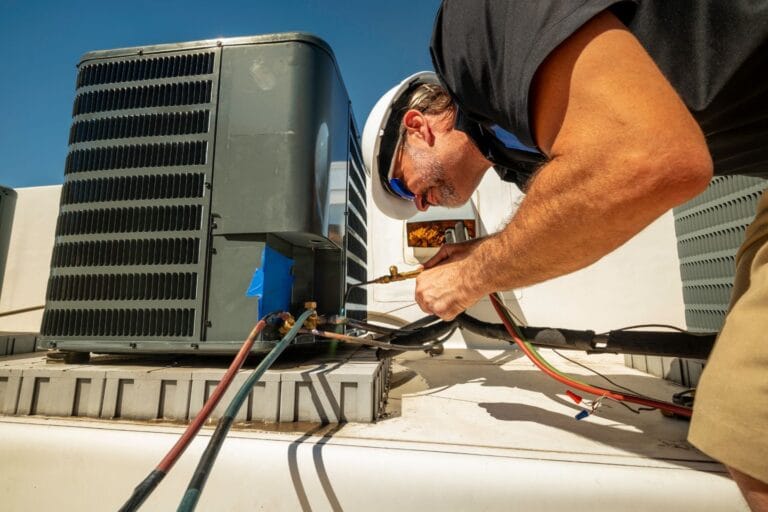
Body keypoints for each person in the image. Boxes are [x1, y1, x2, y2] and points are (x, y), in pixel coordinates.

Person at [361, 1, 768, 510]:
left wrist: (469, 278)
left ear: (419, 126)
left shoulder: (473, 27)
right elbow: (595, 203)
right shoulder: (518, 155)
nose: (418, 202)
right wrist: (484, 254)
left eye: (404, 182)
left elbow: (648, 160)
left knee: (746, 417)